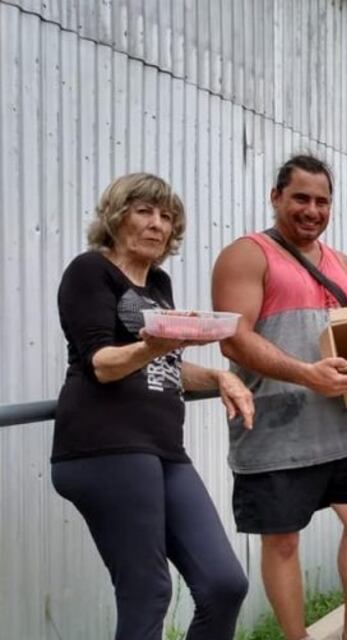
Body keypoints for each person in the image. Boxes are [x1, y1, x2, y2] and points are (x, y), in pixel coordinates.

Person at [51, 173, 253, 640]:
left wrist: (222, 376)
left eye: (166, 216)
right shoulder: (90, 271)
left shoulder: (158, 283)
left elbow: (168, 365)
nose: (157, 224)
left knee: (224, 583)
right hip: (104, 448)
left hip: (162, 450)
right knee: (147, 591)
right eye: (144, 211)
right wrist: (153, 345)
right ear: (117, 217)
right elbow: (101, 363)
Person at [211, 155, 347, 640]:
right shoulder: (246, 255)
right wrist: (307, 376)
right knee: (283, 540)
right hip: (272, 431)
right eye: (301, 198)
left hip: (336, 428)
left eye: (322, 201)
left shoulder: (343, 264)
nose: (312, 210)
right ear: (276, 198)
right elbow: (233, 338)